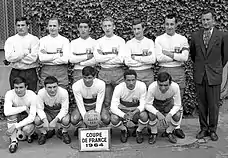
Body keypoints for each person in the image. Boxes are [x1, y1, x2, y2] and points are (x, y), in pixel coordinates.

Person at [190, 9, 227, 141]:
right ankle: (203, 129)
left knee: (213, 105)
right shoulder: (195, 36)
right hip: (200, 74)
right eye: (203, 20)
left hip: (214, 75)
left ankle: (212, 130)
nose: (205, 22)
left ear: (213, 20)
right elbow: (193, 55)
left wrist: (215, 68)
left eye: (208, 19)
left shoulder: (222, 36)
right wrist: (202, 68)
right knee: (201, 104)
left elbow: (225, 57)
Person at [155, 13, 189, 139]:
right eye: (167, 24)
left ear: (176, 24)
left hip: (178, 71)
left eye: (172, 24)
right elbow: (159, 58)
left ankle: (177, 127)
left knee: (178, 100)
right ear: (164, 24)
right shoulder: (159, 39)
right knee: (164, 100)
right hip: (164, 70)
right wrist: (176, 56)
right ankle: (166, 127)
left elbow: (184, 58)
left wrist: (168, 53)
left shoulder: (182, 39)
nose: (169, 27)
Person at [94, 16, 126, 110]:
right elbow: (97, 59)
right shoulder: (99, 42)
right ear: (102, 28)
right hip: (104, 72)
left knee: (120, 99)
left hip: (118, 72)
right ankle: (108, 121)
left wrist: (104, 56)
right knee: (106, 101)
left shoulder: (120, 40)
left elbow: (121, 59)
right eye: (105, 26)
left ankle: (120, 120)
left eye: (109, 25)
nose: (107, 28)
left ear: (114, 27)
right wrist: (113, 56)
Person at [110, 69, 148, 143]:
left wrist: (134, 112)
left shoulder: (142, 85)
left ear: (136, 79)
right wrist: (124, 115)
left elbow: (143, 103)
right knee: (113, 118)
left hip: (135, 109)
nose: (131, 83)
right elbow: (113, 106)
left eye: (133, 80)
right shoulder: (119, 87)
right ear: (124, 80)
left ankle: (138, 131)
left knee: (144, 116)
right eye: (128, 80)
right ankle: (124, 130)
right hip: (123, 109)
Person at [71, 66, 110, 136]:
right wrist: (86, 119)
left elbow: (99, 101)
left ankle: (100, 128)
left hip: (96, 105)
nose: (87, 80)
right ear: (82, 76)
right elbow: (79, 103)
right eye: (85, 78)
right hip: (84, 105)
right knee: (74, 119)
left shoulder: (101, 84)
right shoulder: (76, 86)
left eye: (89, 78)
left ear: (94, 77)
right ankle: (83, 127)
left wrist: (96, 118)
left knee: (106, 119)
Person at [145, 72, 182, 144]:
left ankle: (169, 131)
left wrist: (170, 114)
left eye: (166, 85)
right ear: (157, 82)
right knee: (151, 113)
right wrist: (157, 113)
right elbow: (147, 104)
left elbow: (178, 104)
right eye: (160, 85)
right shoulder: (152, 87)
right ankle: (153, 133)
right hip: (156, 103)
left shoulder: (175, 87)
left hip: (168, 103)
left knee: (177, 115)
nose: (163, 88)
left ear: (170, 83)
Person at [4, 17, 39, 92]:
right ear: (16, 26)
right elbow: (9, 57)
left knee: (31, 95)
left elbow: (33, 58)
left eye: (23, 25)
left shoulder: (34, 39)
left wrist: (16, 57)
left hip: (30, 72)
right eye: (18, 25)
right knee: (16, 96)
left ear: (28, 26)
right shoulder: (10, 40)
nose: (20, 28)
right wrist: (24, 53)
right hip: (16, 72)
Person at [4, 77, 37, 153]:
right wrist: (24, 108)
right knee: (11, 115)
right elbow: (6, 112)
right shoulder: (9, 94)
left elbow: (32, 117)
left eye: (21, 87)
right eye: (16, 87)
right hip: (17, 116)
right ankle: (14, 141)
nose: (18, 90)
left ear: (26, 87)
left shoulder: (32, 95)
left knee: (27, 130)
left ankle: (29, 134)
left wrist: (15, 126)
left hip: (27, 118)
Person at [35, 76, 71, 145]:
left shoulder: (63, 92)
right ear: (45, 87)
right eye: (49, 87)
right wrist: (45, 120)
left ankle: (64, 132)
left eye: (54, 87)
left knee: (66, 120)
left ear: (58, 86)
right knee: (37, 120)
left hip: (59, 111)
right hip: (48, 112)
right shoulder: (41, 93)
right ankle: (44, 133)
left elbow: (65, 109)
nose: (52, 90)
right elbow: (39, 109)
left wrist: (55, 121)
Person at [38, 17, 70, 89]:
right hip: (46, 71)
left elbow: (65, 59)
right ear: (47, 27)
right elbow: (42, 58)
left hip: (61, 71)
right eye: (50, 26)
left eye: (54, 26)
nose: (52, 28)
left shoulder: (65, 41)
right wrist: (58, 55)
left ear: (59, 27)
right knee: (46, 95)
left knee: (62, 93)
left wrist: (48, 55)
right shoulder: (43, 40)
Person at [125, 18, 156, 88]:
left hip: (148, 74)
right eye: (134, 29)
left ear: (143, 28)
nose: (136, 31)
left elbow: (152, 60)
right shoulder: (129, 44)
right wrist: (145, 60)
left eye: (138, 29)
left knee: (148, 97)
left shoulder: (149, 42)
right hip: (134, 74)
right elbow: (127, 62)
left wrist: (135, 58)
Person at [69, 19, 97, 83]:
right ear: (78, 29)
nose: (83, 29)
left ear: (89, 29)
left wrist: (81, 63)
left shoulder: (95, 43)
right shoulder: (73, 43)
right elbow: (71, 59)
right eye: (81, 27)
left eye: (85, 27)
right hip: (77, 72)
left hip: (91, 72)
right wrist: (87, 57)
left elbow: (95, 59)